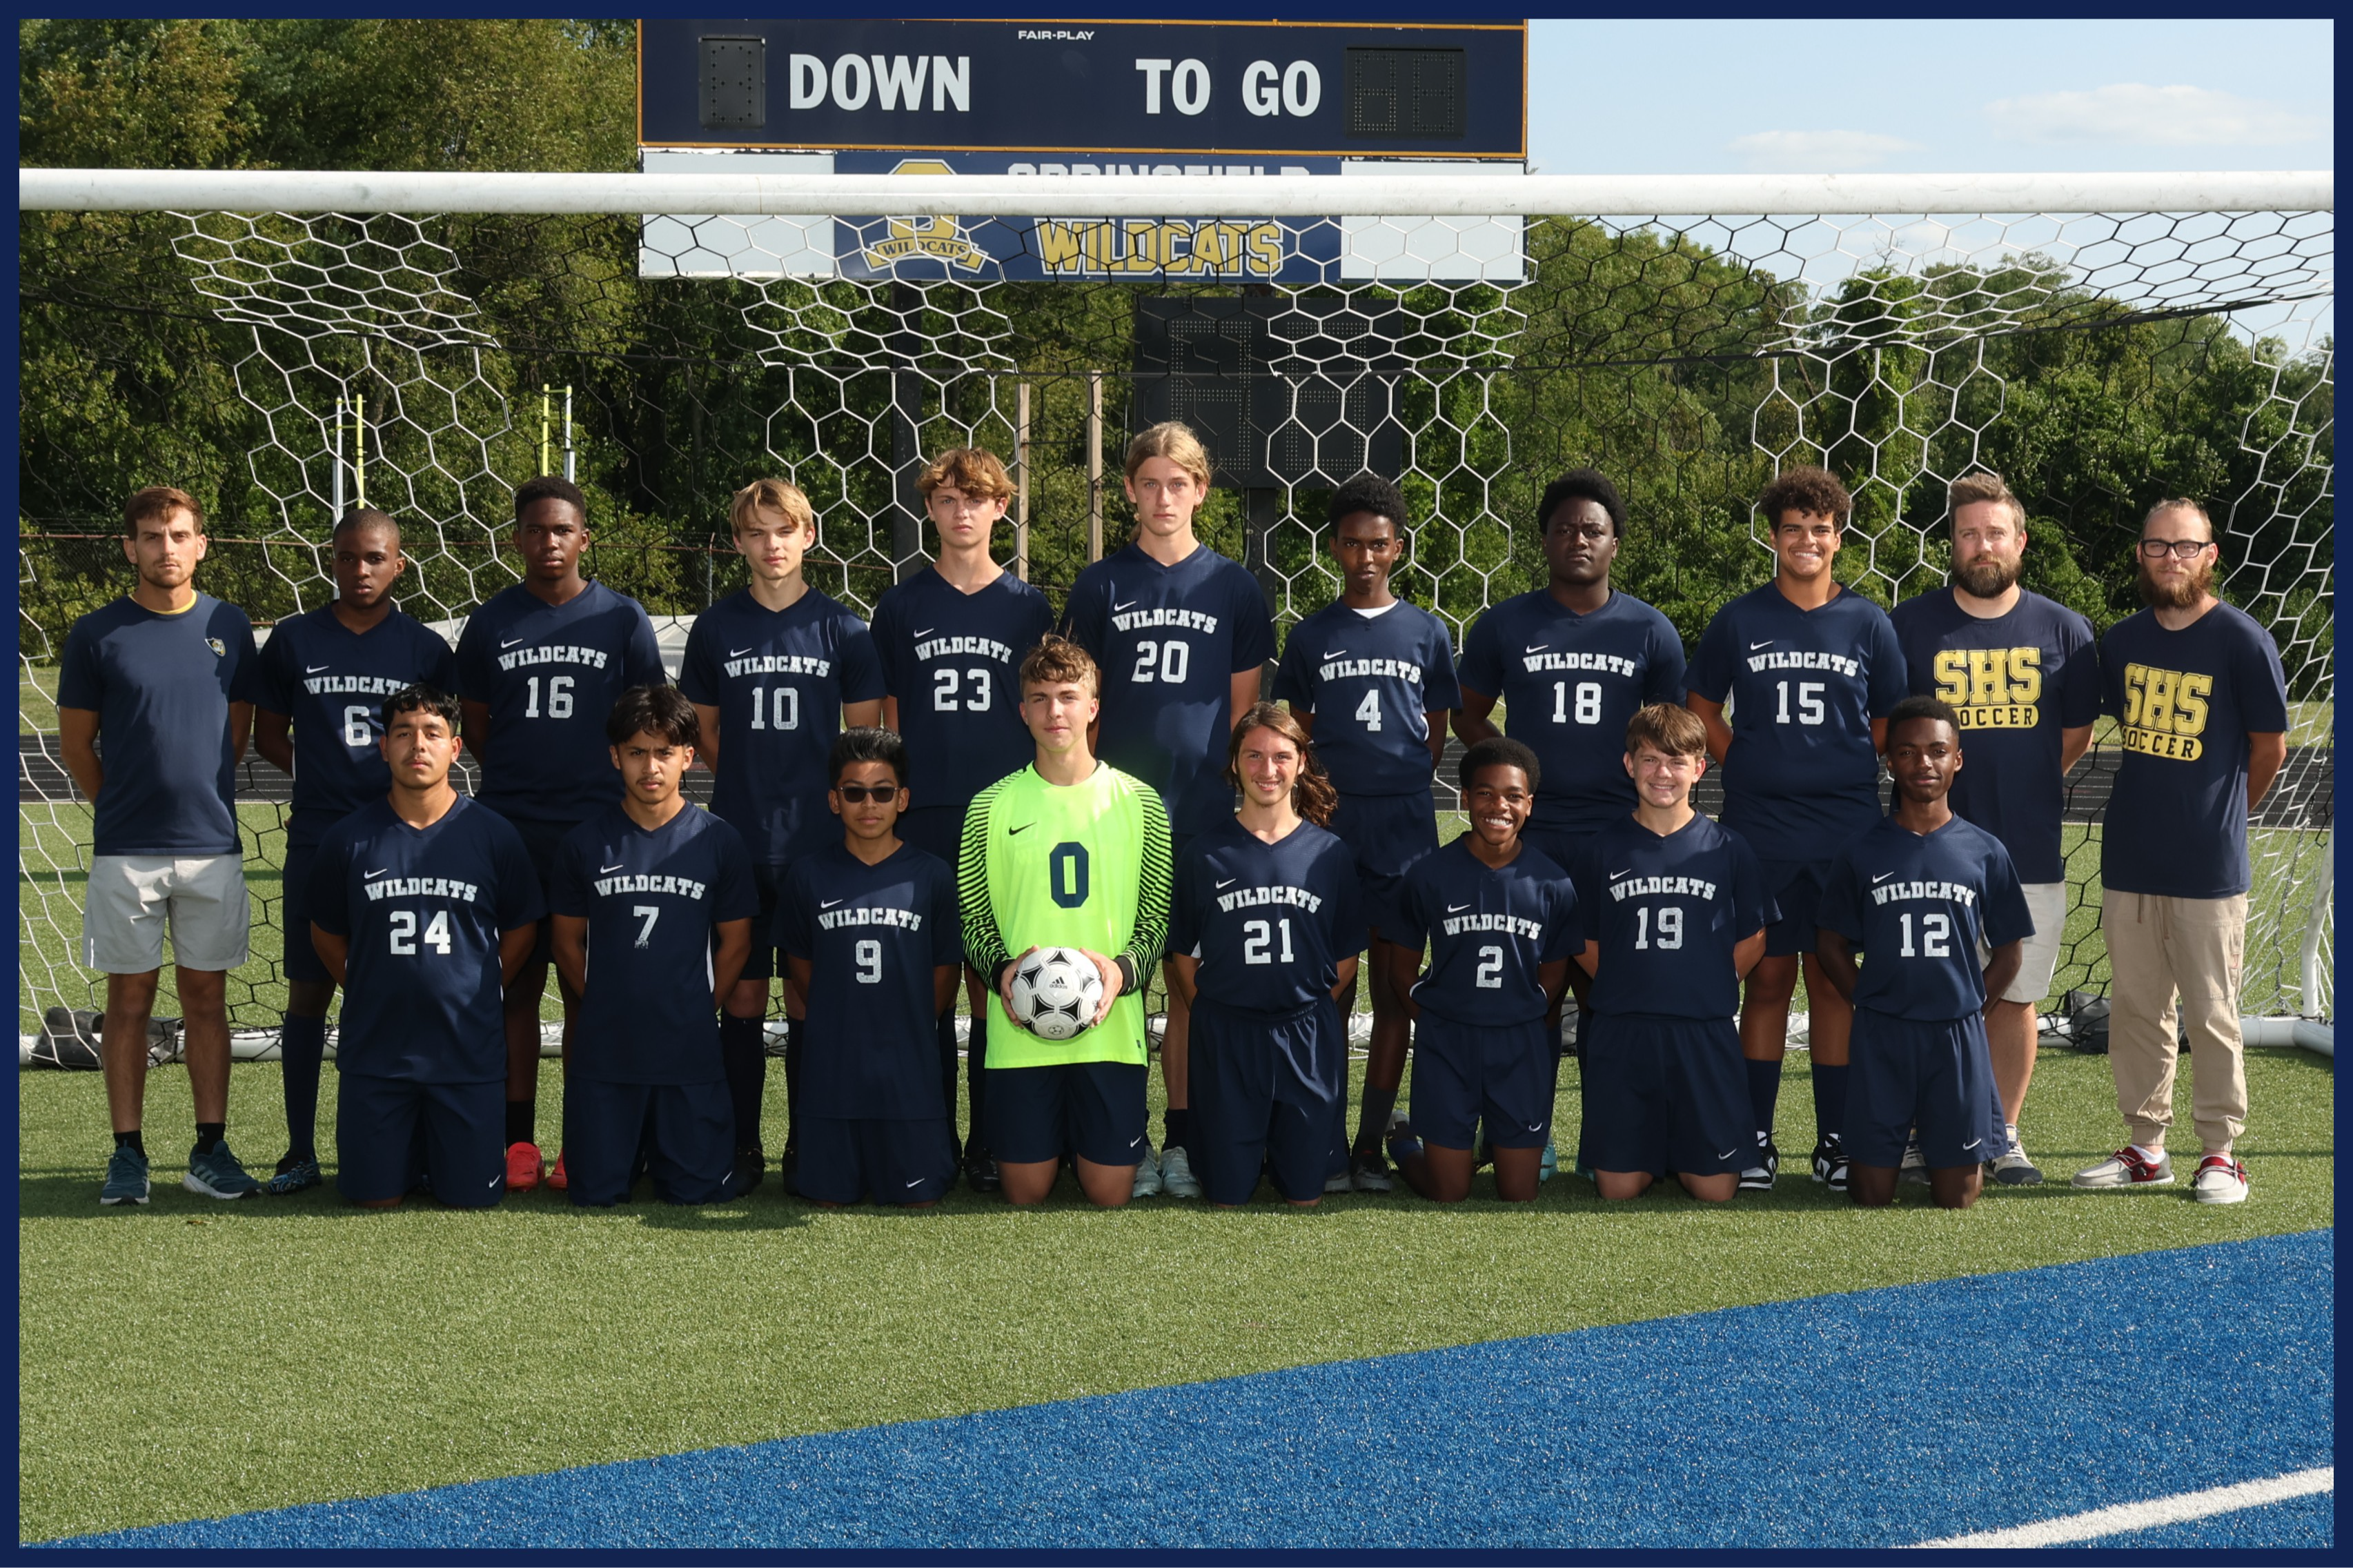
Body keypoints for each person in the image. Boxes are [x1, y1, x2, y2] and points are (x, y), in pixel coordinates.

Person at [1061, 421, 1275, 1199]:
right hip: (1113, 817)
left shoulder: (1234, 587)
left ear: (1201, 491)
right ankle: (1106, 1133)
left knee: (1188, 985)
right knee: (1100, 975)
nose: (1162, 497)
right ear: (1127, 489)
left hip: (1199, 814)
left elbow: (1241, 713)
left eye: (1177, 483)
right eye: (1147, 482)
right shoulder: (1098, 585)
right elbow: (1083, 706)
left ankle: (1181, 1139)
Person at [1458, 467, 1689, 1175]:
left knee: (1607, 991)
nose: (1577, 539)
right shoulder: (1504, 622)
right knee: (1530, 990)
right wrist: (1508, 776)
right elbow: (1467, 713)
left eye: (1591, 529)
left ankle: (1609, 1140)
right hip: (1534, 835)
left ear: (1614, 542)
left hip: (1617, 835)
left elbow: (1673, 734)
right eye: (1563, 529)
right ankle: (1522, 1130)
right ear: (1544, 541)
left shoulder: (1650, 629)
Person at [1685, 466, 1907, 1192]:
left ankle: (1836, 1138)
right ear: (1772, 537)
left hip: (1845, 827)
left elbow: (1886, 723)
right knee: (1768, 978)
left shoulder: (1869, 621)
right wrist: (1746, 761)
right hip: (1759, 829)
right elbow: (1700, 708)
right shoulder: (1738, 618)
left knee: (1835, 980)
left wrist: (1831, 765)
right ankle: (1754, 1136)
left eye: (1818, 528)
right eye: (1791, 528)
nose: (1805, 540)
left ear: (1837, 539)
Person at [2071, 500, 2288, 1204]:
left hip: (2207, 866)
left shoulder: (2240, 639)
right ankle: (2145, 1145)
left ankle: (2220, 1153)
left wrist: (2222, 816)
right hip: (2130, 855)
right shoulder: (2122, 639)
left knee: (2211, 1011)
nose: (2171, 558)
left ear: (2210, 553)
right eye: (2157, 546)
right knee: (2136, 1007)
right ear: (2140, 554)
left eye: (2184, 546)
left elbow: (2268, 749)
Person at [455, 476, 665, 1193]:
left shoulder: (622, 619)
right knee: (512, 984)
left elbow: (645, 721)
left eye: (562, 530)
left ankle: (584, 1139)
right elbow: (478, 724)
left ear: (583, 538)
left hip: (597, 830)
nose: (549, 542)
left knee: (587, 988)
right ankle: (516, 1140)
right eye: (536, 530)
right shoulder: (489, 622)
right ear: (516, 538)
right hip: (511, 827)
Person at [1889, 472, 2098, 1186]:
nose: (1982, 546)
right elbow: (1882, 731)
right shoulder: (1909, 624)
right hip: (1923, 850)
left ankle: (2001, 1133)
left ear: (2020, 540)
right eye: (1967, 533)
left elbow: (2071, 735)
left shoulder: (2064, 629)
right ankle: (1921, 1133)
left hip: (2025, 847)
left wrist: (2021, 781)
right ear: (1950, 542)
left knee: (2014, 995)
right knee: (1924, 988)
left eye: (1995, 532)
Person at [680, 477, 885, 1196]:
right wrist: (747, 787)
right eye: (756, 532)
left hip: (813, 846)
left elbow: (862, 743)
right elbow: (704, 734)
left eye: (783, 530)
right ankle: (742, 1145)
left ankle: (806, 1140)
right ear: (737, 541)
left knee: (807, 997)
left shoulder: (844, 629)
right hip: (735, 840)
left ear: (809, 536)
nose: (771, 545)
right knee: (738, 997)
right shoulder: (715, 628)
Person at [59, 486, 264, 1205]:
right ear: (129, 547)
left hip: (212, 844)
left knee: (207, 997)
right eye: (151, 536)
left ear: (202, 544)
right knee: (129, 999)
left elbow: (234, 736)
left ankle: (210, 1147)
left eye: (179, 534)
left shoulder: (230, 625)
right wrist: (117, 806)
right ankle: (127, 1151)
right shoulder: (96, 633)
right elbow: (77, 743)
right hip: (127, 850)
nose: (166, 548)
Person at [250, 506, 459, 1196]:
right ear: (331, 561)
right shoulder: (292, 638)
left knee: (413, 984)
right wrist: (321, 778)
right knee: (309, 989)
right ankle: (299, 1148)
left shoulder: (425, 649)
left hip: (406, 844)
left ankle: (424, 1141)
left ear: (400, 564)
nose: (360, 569)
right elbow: (268, 735)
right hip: (319, 838)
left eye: (374, 558)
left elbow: (438, 738)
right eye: (346, 557)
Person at [870, 447, 1055, 1193]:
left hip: (1003, 816)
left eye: (975, 499)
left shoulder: (1028, 607)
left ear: (1000, 509)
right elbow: (884, 718)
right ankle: (929, 1134)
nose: (961, 512)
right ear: (930, 510)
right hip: (924, 814)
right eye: (947, 499)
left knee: (996, 981)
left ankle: (989, 1137)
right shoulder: (900, 606)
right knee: (927, 985)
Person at [1272, 474, 1458, 1194]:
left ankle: (1368, 1144)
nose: (1364, 555)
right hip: (1331, 830)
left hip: (1407, 829)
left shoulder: (1425, 630)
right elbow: (1302, 733)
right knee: (1328, 989)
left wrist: (1397, 779)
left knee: (1396, 990)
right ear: (1333, 549)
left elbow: (1434, 731)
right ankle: (1318, 1136)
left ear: (1398, 548)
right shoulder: (1312, 634)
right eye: (1351, 543)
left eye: (1377, 543)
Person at [306, 686, 544, 1209]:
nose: (418, 745)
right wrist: (363, 982)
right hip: (378, 1057)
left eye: (433, 733)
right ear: (383, 747)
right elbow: (325, 930)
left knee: (471, 1201)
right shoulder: (347, 840)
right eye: (403, 733)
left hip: (465, 1058)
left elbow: (524, 926)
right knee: (373, 1200)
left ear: (456, 748)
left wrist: (485, 984)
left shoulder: (495, 836)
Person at [959, 635, 1173, 1209]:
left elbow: (1155, 918)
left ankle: (1111, 1140)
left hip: (1110, 1029)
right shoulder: (988, 806)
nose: (1056, 711)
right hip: (1020, 1031)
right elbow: (973, 919)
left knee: (1109, 1194)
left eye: (1069, 696)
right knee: (1026, 1193)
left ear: (1093, 705)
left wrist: (1122, 971)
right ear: (1022, 709)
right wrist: (1001, 969)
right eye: (1041, 697)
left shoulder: (1141, 801)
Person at [1815, 697, 2033, 1211]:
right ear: (1890, 762)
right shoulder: (1862, 849)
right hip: (1883, 1031)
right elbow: (1830, 942)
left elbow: (2009, 951)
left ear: (1958, 758)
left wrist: (1971, 1006)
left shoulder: (1984, 850)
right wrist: (1867, 1000)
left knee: (1958, 1196)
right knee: (1869, 1193)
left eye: (1938, 751)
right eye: (1908, 752)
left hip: (1955, 1033)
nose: (1924, 764)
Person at [549, 686, 758, 1207]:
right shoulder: (583, 843)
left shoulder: (720, 840)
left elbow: (736, 942)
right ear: (615, 755)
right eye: (637, 751)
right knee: (593, 1193)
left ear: (689, 756)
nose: (651, 766)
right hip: (607, 1052)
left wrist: (697, 1006)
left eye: (665, 752)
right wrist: (601, 1001)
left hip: (687, 1051)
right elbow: (566, 941)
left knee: (697, 1193)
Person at [1570, 704, 1771, 1202]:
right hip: (1624, 1028)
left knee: (1716, 1190)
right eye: (1651, 759)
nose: (1663, 773)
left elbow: (1754, 937)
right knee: (1618, 1189)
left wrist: (1707, 982)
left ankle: (1687, 1147)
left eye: (1677, 761)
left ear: (1700, 768)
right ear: (1629, 764)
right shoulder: (1601, 848)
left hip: (1702, 1028)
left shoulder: (1729, 847)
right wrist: (1626, 984)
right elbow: (1586, 939)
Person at [1167, 704, 1361, 1208]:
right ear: (1234, 763)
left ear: (1300, 763)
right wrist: (1220, 1011)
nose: (1267, 769)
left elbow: (1344, 963)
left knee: (1305, 1195)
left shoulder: (1329, 854)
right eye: (1253, 755)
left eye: (1280, 756)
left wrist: (1299, 1007)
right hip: (1229, 1036)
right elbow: (1184, 959)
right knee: (1227, 1195)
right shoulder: (1205, 854)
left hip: (1304, 1035)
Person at [1384, 737, 1580, 1204]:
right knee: (1448, 1192)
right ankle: (1403, 1140)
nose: (1499, 806)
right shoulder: (1429, 874)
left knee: (1519, 1193)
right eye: (1486, 793)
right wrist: (1437, 1021)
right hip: (1448, 1043)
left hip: (1519, 1045)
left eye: (1514, 795)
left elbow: (1555, 975)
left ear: (1530, 804)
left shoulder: (1553, 882)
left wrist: (1522, 1015)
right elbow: (1400, 969)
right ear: (1465, 798)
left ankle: (1490, 1137)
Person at [782, 728, 963, 1208]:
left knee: (919, 1201)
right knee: (826, 1201)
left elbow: (946, 970)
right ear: (834, 799)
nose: (869, 804)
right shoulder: (806, 875)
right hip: (832, 1075)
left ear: (902, 799)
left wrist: (912, 1023)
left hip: (909, 1077)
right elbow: (800, 968)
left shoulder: (932, 876)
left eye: (882, 791)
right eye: (854, 792)